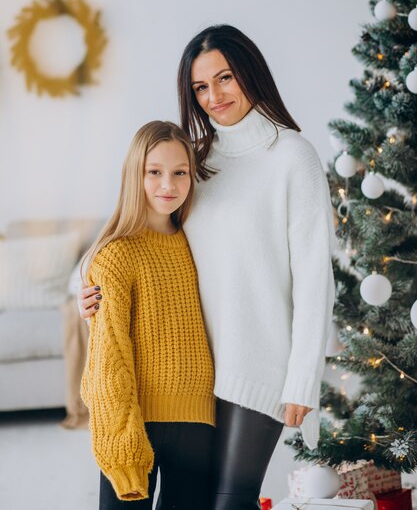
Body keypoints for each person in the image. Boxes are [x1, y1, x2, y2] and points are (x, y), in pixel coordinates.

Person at [79, 25, 336, 510]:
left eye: (225, 78)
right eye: (200, 87)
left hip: (260, 365)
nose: (214, 96)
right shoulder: (197, 161)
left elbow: (314, 277)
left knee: (230, 500)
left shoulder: (291, 156)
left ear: (250, 74)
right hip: (196, 370)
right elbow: (144, 231)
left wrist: (304, 376)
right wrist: (88, 285)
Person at [80, 121, 215, 510]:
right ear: (134, 175)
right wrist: (124, 443)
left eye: (179, 173)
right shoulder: (117, 254)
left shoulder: (199, 241)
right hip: (138, 421)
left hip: (198, 419)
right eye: (153, 172)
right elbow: (109, 360)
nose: (167, 185)